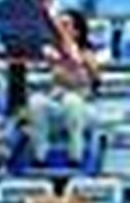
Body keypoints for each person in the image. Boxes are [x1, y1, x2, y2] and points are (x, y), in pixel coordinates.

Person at [26, 9, 100, 166]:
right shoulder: (54, 53)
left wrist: (76, 60)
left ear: (77, 31)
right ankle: (40, 156)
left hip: (83, 109)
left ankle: (75, 156)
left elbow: (94, 81)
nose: (60, 28)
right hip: (59, 106)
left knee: (71, 100)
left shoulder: (87, 54)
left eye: (65, 25)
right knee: (36, 102)